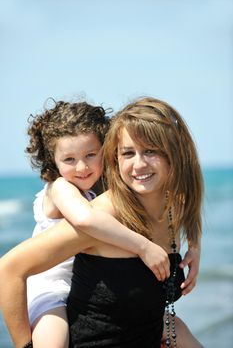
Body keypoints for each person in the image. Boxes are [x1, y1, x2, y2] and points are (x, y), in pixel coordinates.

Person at [0, 97, 204, 348]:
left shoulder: (173, 204)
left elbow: (189, 198)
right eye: (128, 152)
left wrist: (194, 246)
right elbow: (9, 269)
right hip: (50, 286)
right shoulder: (90, 213)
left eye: (151, 150)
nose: (139, 164)